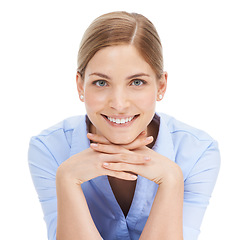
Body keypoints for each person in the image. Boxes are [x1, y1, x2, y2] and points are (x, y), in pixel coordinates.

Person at [28, 11, 220, 240]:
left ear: (161, 86)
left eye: (137, 82)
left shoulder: (198, 152)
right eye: (101, 82)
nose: (119, 104)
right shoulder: (49, 149)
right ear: (80, 85)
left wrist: (172, 179)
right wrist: (67, 178)